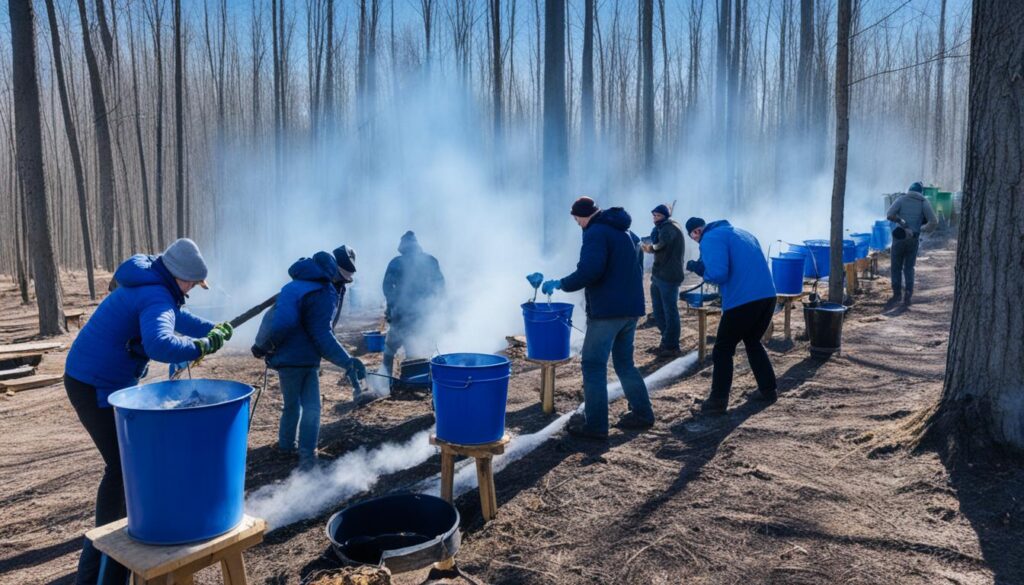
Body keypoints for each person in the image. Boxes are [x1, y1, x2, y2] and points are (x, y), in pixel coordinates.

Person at [64, 238, 231, 585]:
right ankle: (99, 568)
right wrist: (201, 345)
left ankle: (113, 554)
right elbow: (159, 343)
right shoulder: (156, 295)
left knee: (128, 468)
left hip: (95, 377)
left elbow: (176, 317)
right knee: (122, 470)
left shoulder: (152, 284)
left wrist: (210, 331)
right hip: (94, 384)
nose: (192, 290)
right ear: (181, 277)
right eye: (192, 284)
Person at [542, 196, 655, 439]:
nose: (576, 223)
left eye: (576, 218)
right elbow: (637, 265)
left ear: (584, 215)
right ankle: (643, 413)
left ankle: (595, 426)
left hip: (608, 312)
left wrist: (561, 283)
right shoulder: (627, 232)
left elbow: (590, 271)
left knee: (593, 365)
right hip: (631, 309)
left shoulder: (596, 232)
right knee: (625, 363)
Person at [254, 251, 366, 469]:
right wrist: (347, 361)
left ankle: (286, 447)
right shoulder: (325, 291)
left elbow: (281, 323)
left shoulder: (292, 287)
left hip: (287, 359)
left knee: (291, 405)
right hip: (304, 359)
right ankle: (307, 457)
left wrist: (267, 347)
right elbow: (321, 334)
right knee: (312, 407)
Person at [684, 217, 777, 415]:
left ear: (697, 231)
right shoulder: (742, 233)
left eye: (693, 236)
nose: (695, 240)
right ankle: (768, 390)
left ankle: (717, 401)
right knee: (752, 342)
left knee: (723, 349)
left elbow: (718, 274)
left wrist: (699, 268)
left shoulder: (710, 238)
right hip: (768, 296)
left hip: (744, 300)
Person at [382, 231, 445, 378]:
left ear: (402, 247)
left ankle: (386, 381)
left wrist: (391, 306)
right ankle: (416, 380)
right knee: (417, 346)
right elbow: (440, 287)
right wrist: (435, 308)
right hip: (424, 313)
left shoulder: (396, 262)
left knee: (390, 349)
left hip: (401, 313)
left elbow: (387, 287)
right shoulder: (431, 261)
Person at [641, 203, 685, 356]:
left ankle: (672, 346)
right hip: (659, 275)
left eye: (658, 216)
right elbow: (655, 238)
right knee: (659, 312)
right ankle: (666, 341)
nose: (655, 218)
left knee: (669, 311)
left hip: (669, 276)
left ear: (665, 216)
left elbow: (661, 244)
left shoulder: (670, 228)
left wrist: (650, 248)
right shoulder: (661, 227)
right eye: (654, 216)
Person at [886, 182, 938, 306]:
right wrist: (921, 229)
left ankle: (897, 294)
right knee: (909, 268)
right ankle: (908, 293)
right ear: (920, 192)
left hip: (899, 237)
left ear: (909, 190)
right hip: (913, 238)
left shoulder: (901, 199)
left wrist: (901, 222)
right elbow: (933, 221)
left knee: (896, 267)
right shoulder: (923, 202)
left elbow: (889, 215)